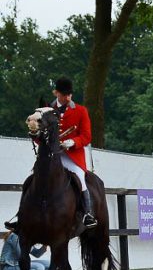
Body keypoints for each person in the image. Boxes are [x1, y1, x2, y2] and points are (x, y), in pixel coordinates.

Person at [5, 76, 97, 231]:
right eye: (64, 94)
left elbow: (87, 136)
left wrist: (72, 142)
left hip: (71, 156)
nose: (67, 97)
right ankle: (21, 217)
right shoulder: (47, 110)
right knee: (31, 180)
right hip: (50, 155)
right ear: (56, 93)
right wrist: (35, 135)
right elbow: (41, 138)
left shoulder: (81, 111)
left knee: (80, 177)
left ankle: (87, 214)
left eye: (69, 94)